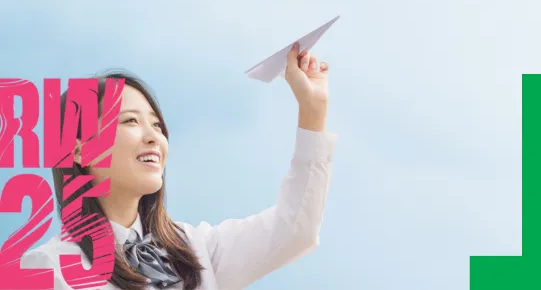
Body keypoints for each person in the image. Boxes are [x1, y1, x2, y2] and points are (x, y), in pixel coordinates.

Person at [21, 43, 338, 289]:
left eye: (157, 126)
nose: (153, 137)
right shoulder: (48, 268)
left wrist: (313, 110)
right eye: (130, 121)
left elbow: (296, 228)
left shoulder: (195, 249)